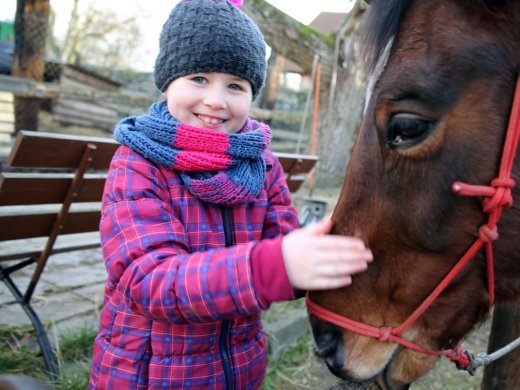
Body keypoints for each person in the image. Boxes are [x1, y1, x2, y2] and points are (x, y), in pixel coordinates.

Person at [88, 0, 373, 388]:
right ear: (168, 79)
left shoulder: (261, 164)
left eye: (235, 86)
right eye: (199, 79)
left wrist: (319, 253)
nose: (217, 100)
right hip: (151, 375)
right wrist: (270, 266)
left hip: (238, 370)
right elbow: (150, 280)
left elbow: (283, 255)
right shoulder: (138, 164)